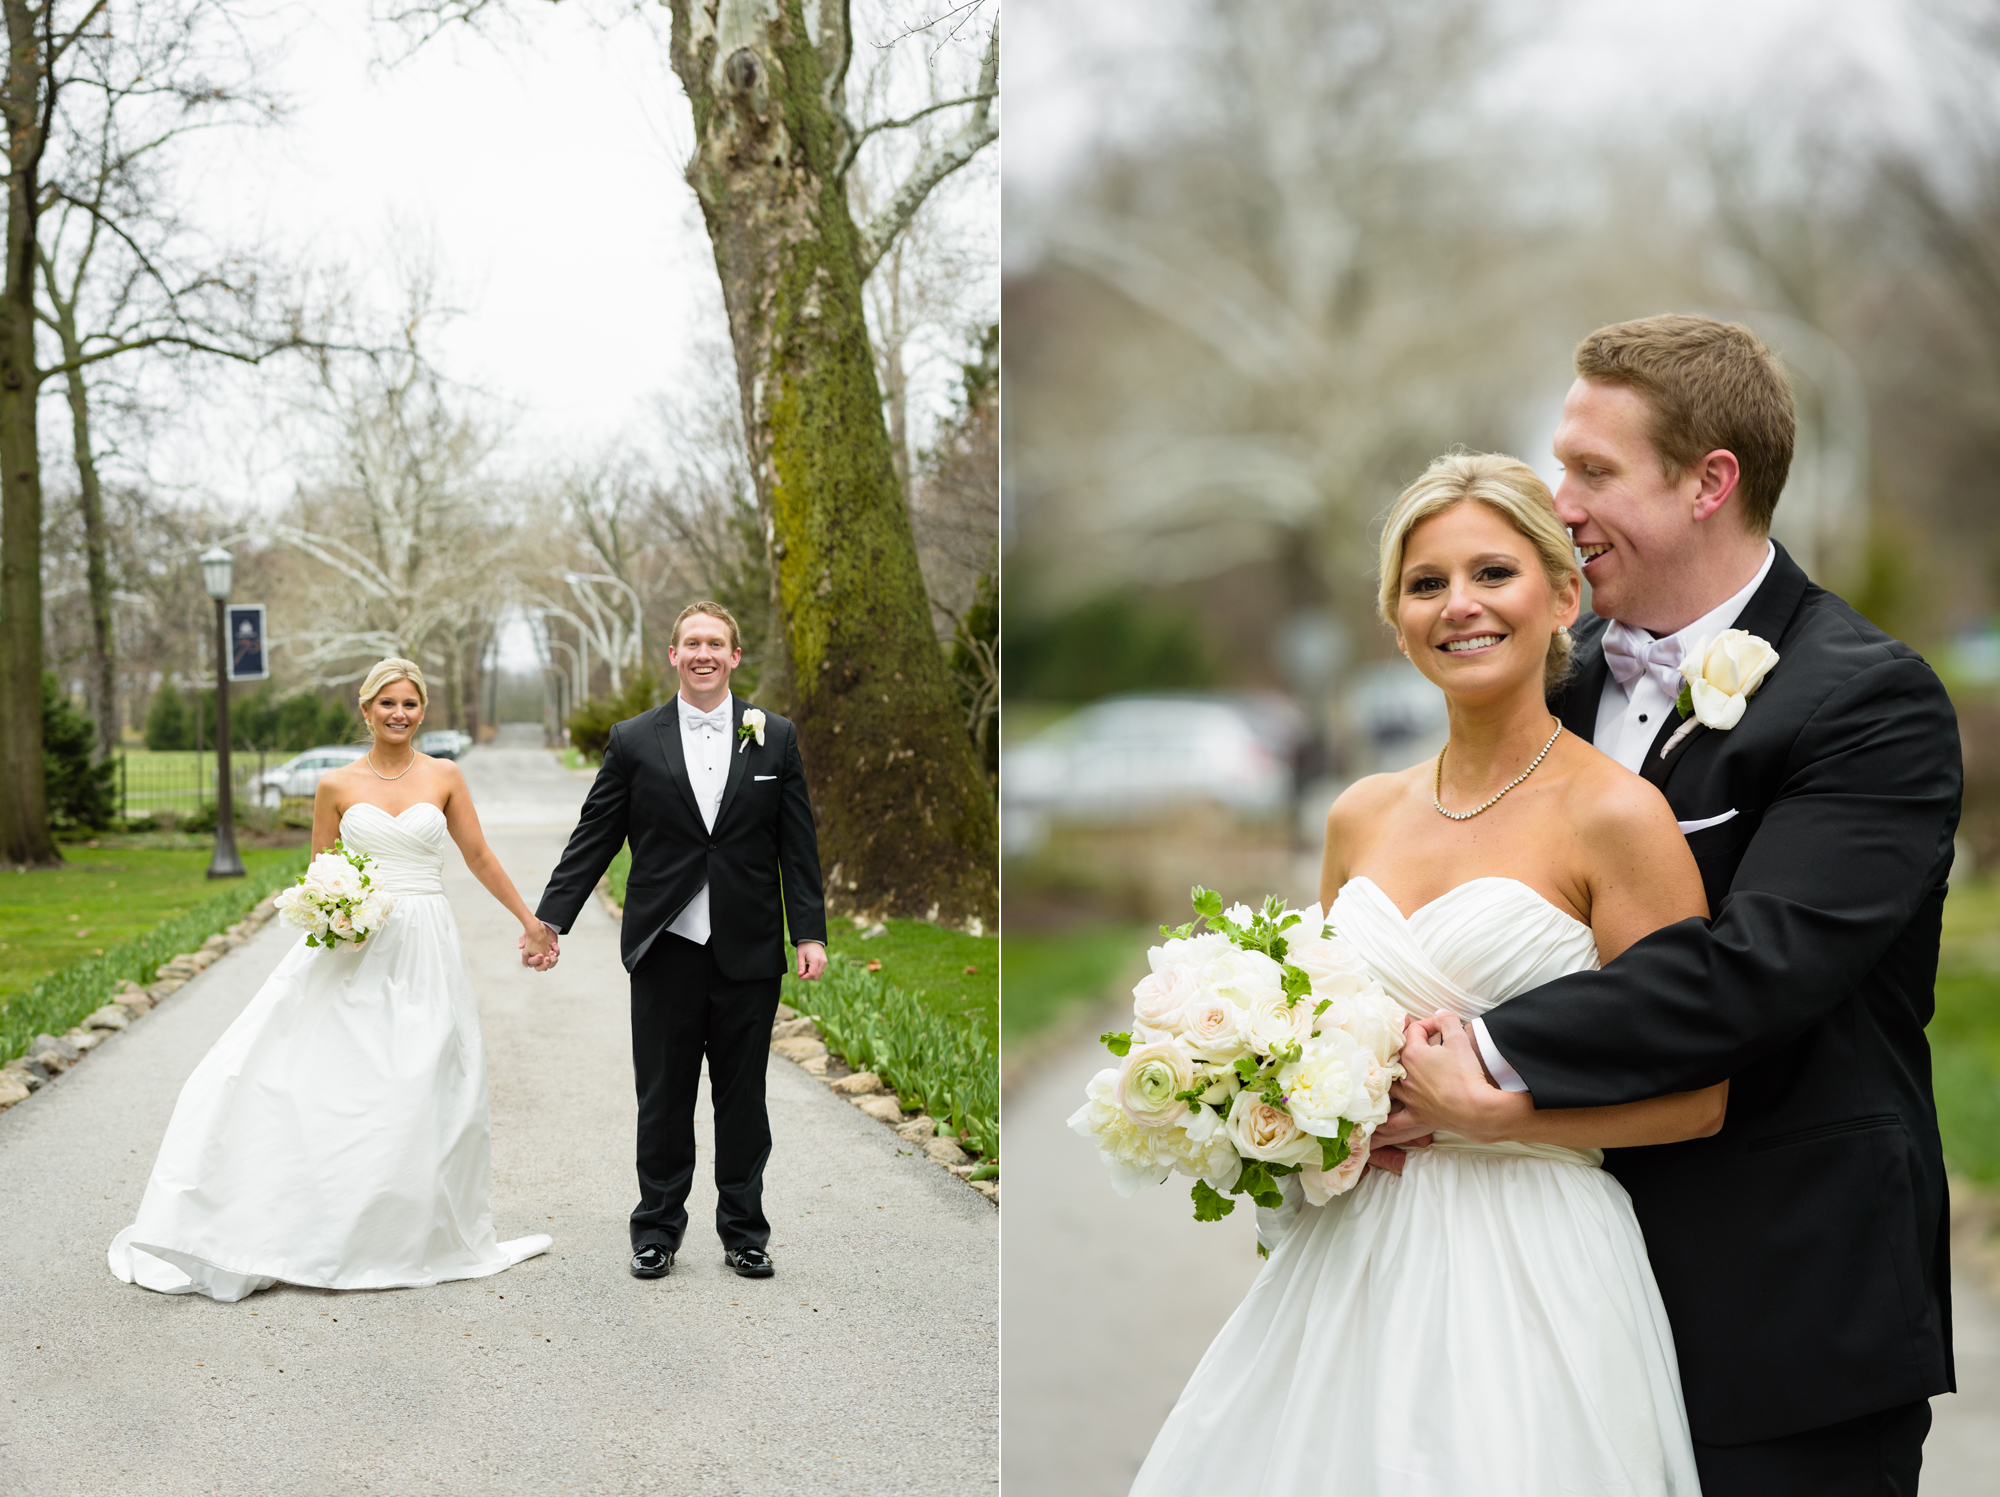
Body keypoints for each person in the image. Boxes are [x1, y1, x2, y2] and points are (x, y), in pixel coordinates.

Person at [1387, 315, 1959, 1497]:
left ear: (1709, 483)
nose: (1561, 500)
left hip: (1782, 1312)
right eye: (1560, 465)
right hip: (1545, 1301)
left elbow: (1755, 966)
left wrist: (1474, 1058)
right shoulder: (1557, 672)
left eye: (1593, 471)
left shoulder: (1867, 703)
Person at [1132, 452, 1718, 1495]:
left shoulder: (1617, 816)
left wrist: (1497, 1119)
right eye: (1425, 583)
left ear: (1561, 599)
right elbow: (1313, 1022)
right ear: (1394, 619)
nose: (1459, 606)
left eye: (1492, 574)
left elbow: (1699, 1098)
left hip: (1531, 1259)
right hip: (1348, 1254)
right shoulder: (1358, 813)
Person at [109, 658, 555, 1301]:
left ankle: (408, 1229)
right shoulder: (336, 785)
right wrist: (336, 912)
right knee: (325, 1077)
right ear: (366, 709)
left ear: (422, 710)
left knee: (425, 1074)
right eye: (386, 704)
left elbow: (477, 855)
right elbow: (322, 868)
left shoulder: (446, 775)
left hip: (426, 942)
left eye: (409, 704)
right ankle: (315, 1221)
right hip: (358, 944)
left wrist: (529, 920)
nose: (398, 714)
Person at [531, 602, 829, 1281]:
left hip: (748, 949)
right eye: (691, 642)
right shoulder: (635, 739)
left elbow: (798, 846)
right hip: (664, 947)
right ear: (673, 655)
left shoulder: (773, 736)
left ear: (734, 656)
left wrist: (807, 930)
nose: (703, 653)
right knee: (663, 1097)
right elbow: (595, 835)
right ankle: (657, 1230)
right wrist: (552, 917)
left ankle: (745, 1232)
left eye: (715, 643)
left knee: (743, 1098)